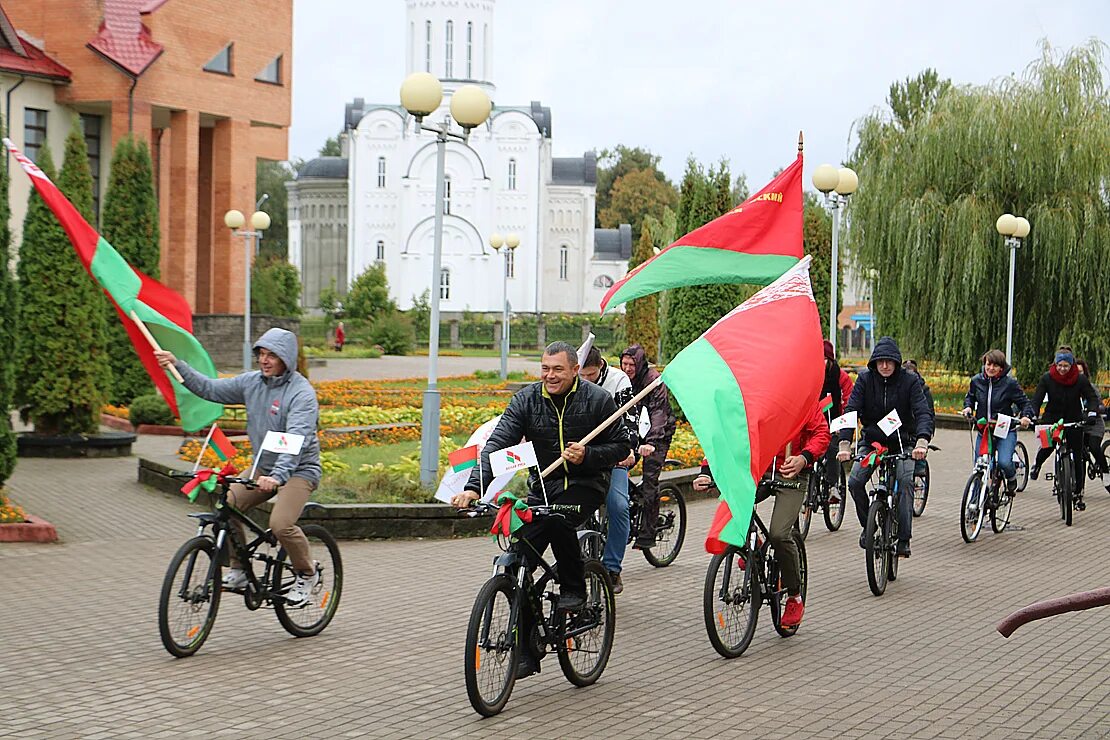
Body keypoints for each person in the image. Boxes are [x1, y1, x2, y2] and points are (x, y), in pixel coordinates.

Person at [451, 341, 630, 678]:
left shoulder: (597, 400)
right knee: (517, 560)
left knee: (559, 520)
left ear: (575, 370)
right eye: (545, 368)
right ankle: (528, 647)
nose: (550, 375)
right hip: (543, 487)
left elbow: (622, 445)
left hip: (586, 485)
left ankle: (574, 588)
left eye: (558, 369)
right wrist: (474, 487)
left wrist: (588, 455)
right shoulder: (526, 400)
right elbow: (497, 445)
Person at [155, 328, 323, 605]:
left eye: (272, 356)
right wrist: (177, 365)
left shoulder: (301, 393)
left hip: (298, 470)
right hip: (263, 466)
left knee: (280, 524)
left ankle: (307, 573)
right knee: (227, 506)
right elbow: (209, 388)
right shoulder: (251, 383)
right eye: (261, 354)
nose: (264, 360)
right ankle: (240, 570)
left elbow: (295, 439)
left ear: (287, 359)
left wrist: (278, 476)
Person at [693, 400, 830, 628]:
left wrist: (804, 458)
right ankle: (752, 544)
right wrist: (706, 471)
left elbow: (821, 434)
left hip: (792, 474)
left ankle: (794, 596)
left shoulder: (803, 396)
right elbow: (725, 433)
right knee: (733, 504)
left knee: (779, 534)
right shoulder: (754, 394)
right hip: (759, 470)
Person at [836, 337, 934, 558]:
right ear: (874, 363)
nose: (885, 366)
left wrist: (921, 441)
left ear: (897, 363)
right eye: (880, 361)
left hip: (903, 442)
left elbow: (922, 412)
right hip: (873, 442)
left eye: (889, 361)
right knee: (855, 481)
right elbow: (851, 411)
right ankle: (868, 526)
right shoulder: (865, 379)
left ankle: (904, 539)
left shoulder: (909, 381)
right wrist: (844, 444)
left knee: (906, 481)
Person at [579, 347, 639, 595]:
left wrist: (629, 450)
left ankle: (613, 567)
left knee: (619, 506)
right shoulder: (570, 381)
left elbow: (631, 420)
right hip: (581, 456)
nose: (585, 380)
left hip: (613, 454)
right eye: (581, 375)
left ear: (601, 367)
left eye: (590, 375)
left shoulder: (619, 381)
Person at [620, 344, 675, 549]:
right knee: (618, 466)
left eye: (631, 365)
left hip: (658, 434)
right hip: (636, 432)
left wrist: (651, 442)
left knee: (650, 479)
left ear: (640, 364)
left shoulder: (654, 381)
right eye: (624, 364)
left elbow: (658, 413)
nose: (627, 368)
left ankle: (648, 533)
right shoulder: (622, 380)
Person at [1030, 350, 1102, 507]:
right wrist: (1032, 415)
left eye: (1066, 366)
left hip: (1073, 418)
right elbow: (1037, 400)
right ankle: (1037, 465)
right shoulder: (1047, 378)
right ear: (1055, 364)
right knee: (1047, 446)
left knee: (1078, 455)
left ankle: (1079, 492)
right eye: (1060, 365)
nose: (1063, 369)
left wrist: (1091, 413)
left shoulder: (1080, 379)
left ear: (1072, 365)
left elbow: (1091, 398)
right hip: (1052, 418)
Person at [959, 349, 1034, 501]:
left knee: (1004, 462)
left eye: (995, 365)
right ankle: (974, 505)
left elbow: (1025, 403)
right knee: (979, 467)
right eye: (988, 364)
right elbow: (970, 398)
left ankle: (1011, 478)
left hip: (1004, 430)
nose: (991, 368)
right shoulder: (976, 381)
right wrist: (968, 407)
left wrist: (1026, 416)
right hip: (984, 431)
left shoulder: (1009, 384)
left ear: (1001, 368)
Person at [821, 340, 854, 503]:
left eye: (823, 359)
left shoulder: (841, 377)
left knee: (832, 447)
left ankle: (833, 486)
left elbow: (849, 401)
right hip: (816, 420)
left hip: (836, 421)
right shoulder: (810, 375)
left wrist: (843, 424)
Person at [1075, 359, 1110, 487]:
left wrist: (1095, 411)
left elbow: (1099, 404)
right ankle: (1079, 486)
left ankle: (1105, 472)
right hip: (1080, 425)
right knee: (1079, 454)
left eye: (1080, 372)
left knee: (1094, 447)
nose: (1078, 375)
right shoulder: (1070, 388)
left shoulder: (1090, 388)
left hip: (1094, 424)